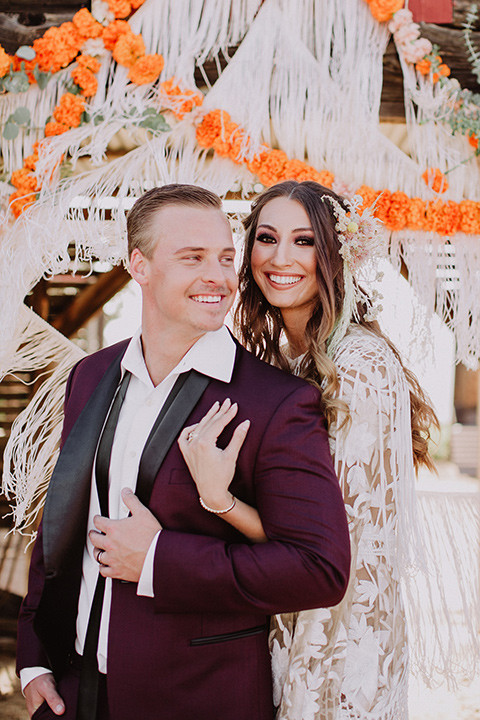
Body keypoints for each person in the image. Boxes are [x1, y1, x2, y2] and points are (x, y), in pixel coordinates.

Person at [16, 183, 351, 720]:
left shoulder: (277, 402)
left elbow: (319, 571)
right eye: (192, 257)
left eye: (225, 258)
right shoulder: (89, 375)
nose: (218, 277)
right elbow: (63, 518)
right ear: (139, 265)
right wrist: (33, 657)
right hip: (70, 694)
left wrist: (157, 560)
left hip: (196, 699)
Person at [180, 180, 438, 720]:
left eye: (304, 241)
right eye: (267, 238)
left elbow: (322, 545)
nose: (280, 258)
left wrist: (218, 498)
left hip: (335, 636)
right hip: (291, 612)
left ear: (336, 253)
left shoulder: (357, 368)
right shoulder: (287, 359)